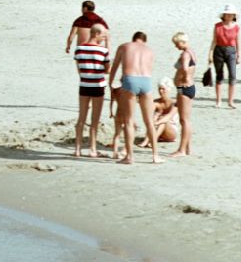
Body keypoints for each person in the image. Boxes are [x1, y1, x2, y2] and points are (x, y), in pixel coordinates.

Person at [108, 32, 162, 165]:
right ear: (144, 41)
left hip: (130, 80)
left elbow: (114, 67)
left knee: (128, 121)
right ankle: (155, 156)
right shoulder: (149, 50)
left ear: (133, 39)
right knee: (149, 121)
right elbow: (150, 68)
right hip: (146, 81)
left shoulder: (125, 46)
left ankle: (130, 156)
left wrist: (110, 84)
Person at [73, 26, 109, 157]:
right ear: (97, 34)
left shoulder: (79, 48)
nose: (104, 37)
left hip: (84, 84)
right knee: (95, 119)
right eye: (103, 35)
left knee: (81, 117)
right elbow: (107, 69)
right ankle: (92, 148)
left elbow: (79, 68)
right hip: (98, 85)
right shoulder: (103, 50)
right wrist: (108, 45)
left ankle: (77, 148)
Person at [208, 7, 240, 108]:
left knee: (232, 76)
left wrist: (238, 55)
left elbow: (238, 42)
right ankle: (218, 101)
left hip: (231, 51)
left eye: (231, 14)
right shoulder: (217, 26)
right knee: (219, 76)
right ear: (224, 15)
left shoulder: (236, 27)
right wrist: (210, 53)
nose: (229, 16)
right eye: (227, 14)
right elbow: (214, 41)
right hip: (219, 51)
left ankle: (230, 101)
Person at [171, 32, 197, 156]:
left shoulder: (185, 54)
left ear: (182, 42)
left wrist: (185, 78)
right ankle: (188, 148)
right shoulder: (192, 52)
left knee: (184, 120)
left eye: (177, 44)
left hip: (184, 88)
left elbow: (186, 68)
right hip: (190, 88)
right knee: (187, 120)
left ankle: (181, 150)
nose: (176, 47)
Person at [138, 81, 178, 148]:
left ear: (168, 89)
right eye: (159, 89)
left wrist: (156, 122)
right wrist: (155, 116)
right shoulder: (156, 102)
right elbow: (148, 114)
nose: (161, 91)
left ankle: (152, 140)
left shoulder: (174, 103)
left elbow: (168, 116)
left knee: (162, 120)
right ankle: (147, 140)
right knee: (154, 118)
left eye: (163, 89)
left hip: (171, 131)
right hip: (158, 128)